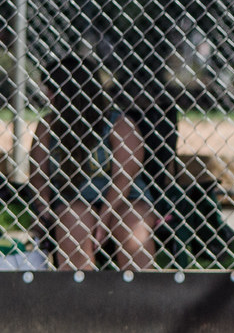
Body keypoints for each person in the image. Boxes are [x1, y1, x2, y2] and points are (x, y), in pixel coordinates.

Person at [29, 53, 157, 271]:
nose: (46, 95)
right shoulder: (48, 126)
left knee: (131, 224)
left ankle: (141, 297)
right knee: (73, 218)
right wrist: (43, 208)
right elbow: (38, 174)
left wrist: (105, 217)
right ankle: (82, 296)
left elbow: (123, 179)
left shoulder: (119, 125)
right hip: (74, 199)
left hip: (123, 199)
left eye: (51, 89)